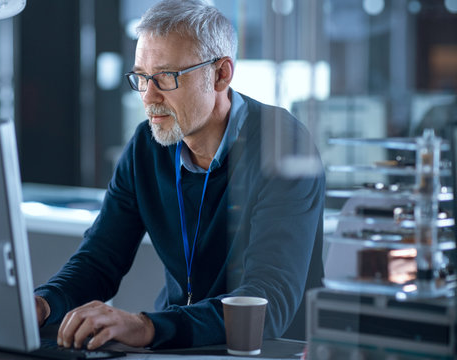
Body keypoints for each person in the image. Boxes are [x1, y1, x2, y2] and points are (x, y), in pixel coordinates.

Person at [34, 0, 325, 350]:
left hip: (270, 350)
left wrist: (146, 327)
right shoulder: (147, 145)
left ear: (221, 74)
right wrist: (40, 304)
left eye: (166, 77)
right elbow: (99, 260)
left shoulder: (284, 145)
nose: (148, 96)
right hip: (179, 345)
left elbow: (266, 303)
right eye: (141, 77)